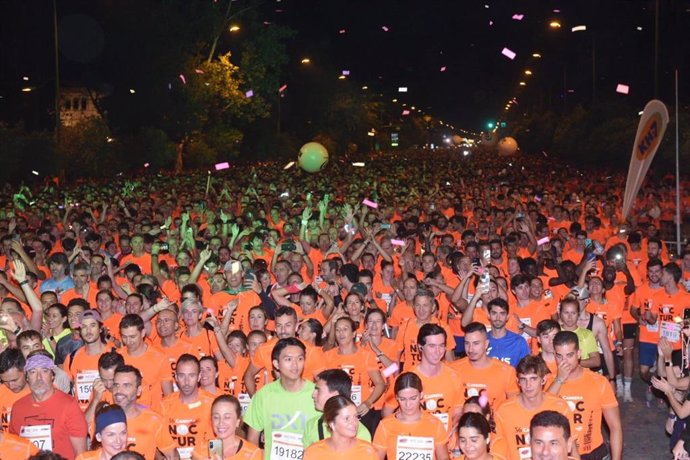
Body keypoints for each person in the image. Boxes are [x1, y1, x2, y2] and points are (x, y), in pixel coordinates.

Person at [547, 331, 621, 460]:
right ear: (554, 355)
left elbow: (615, 427)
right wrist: (559, 380)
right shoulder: (548, 381)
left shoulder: (598, 382)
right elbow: (542, 411)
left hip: (593, 452)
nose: (564, 362)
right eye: (559, 356)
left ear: (578, 354)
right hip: (560, 454)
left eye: (569, 355)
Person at [244, 337, 320, 459]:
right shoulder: (263, 395)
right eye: (288, 359)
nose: (295, 364)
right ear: (276, 364)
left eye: (300, 359)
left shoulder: (317, 394)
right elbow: (252, 440)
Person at [383, 324, 464, 436]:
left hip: (445, 443)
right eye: (432, 346)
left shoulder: (455, 376)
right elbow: (387, 411)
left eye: (441, 346)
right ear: (420, 347)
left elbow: (458, 411)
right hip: (416, 443)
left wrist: (456, 425)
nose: (438, 351)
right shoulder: (407, 378)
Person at [10, 351, 88, 459]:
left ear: (52, 375)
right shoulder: (18, 407)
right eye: (33, 372)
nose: (39, 378)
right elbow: (14, 450)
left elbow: (81, 454)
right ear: (26, 377)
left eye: (45, 371)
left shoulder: (69, 405)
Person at [494, 355, 574, 460]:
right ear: (518, 381)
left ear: (544, 379)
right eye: (523, 379)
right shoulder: (504, 411)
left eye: (533, 379)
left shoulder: (560, 407)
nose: (528, 385)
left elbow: (571, 447)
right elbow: (497, 451)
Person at [324, 316, 386, 434]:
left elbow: (380, 383)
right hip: (338, 411)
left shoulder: (366, 355)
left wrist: (368, 402)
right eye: (337, 330)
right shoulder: (328, 356)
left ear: (353, 333)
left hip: (361, 411)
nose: (341, 333)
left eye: (345, 329)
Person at [373, 372, 449, 460]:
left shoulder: (436, 424)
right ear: (396, 397)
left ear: (421, 395)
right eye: (402, 399)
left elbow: (443, 457)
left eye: (413, 398)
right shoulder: (385, 425)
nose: (408, 404)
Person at [111, 365, 177, 460]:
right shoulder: (103, 418)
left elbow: (172, 456)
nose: (119, 391)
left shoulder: (154, 420)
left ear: (139, 391)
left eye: (126, 385)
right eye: (116, 385)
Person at [451, 322, 519, 410]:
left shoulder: (507, 371)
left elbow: (514, 406)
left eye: (476, 343)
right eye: (467, 343)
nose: (470, 349)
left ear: (486, 344)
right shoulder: (453, 369)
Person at [158, 354, 214, 459]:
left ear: (199, 376)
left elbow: (217, 443)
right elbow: (157, 443)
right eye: (182, 375)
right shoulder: (164, 405)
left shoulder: (212, 404)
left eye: (192, 375)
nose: (187, 382)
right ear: (175, 377)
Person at [303, 369, 372, 447]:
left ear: (335, 396)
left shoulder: (359, 433)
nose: (313, 395)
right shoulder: (312, 425)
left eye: (318, 390)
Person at [303, 395, 379, 460]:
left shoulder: (367, 451)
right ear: (332, 423)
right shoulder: (313, 452)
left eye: (356, 416)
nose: (354, 422)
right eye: (347, 418)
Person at [202, 395, 262, 460]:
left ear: (237, 421)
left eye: (227, 417)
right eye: (216, 417)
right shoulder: (201, 449)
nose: (221, 422)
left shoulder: (253, 453)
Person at [485, 298, 530, 367]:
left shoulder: (518, 342)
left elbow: (527, 369)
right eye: (494, 313)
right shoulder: (482, 340)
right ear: (488, 315)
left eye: (502, 314)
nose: (498, 317)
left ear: (507, 317)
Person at [0, 348, 30, 432]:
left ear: (25, 370)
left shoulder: (44, 392)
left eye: (14, 380)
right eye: (5, 381)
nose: (11, 386)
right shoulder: (1, 392)